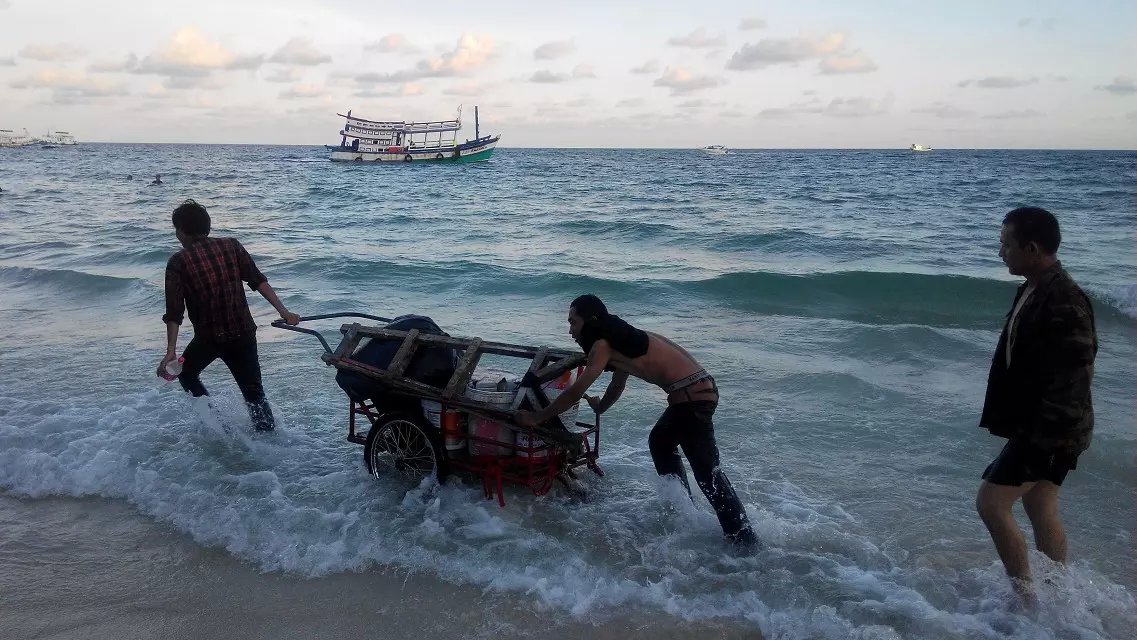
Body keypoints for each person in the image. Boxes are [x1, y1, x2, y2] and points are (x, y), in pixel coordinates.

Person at [517, 295, 758, 547]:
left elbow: (576, 390)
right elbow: (617, 383)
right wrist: (601, 406)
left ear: (592, 321)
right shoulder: (623, 340)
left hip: (692, 399)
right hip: (695, 394)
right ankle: (684, 509)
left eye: (573, 322)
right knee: (661, 442)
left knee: (707, 473)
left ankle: (744, 541)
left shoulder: (602, 345)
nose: (570, 331)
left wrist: (536, 418)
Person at [975, 206, 1097, 597]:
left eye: (1006, 245)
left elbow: (1075, 377)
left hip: (1052, 428)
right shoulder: (1034, 285)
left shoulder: (1064, 299)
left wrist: (1040, 437)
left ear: (1031, 248)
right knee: (1040, 503)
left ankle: (1024, 597)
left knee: (991, 503)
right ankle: (1056, 592)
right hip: (1046, 425)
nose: (1000, 252)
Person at [157, 199, 300, 431]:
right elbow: (258, 280)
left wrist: (171, 352)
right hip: (243, 333)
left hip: (209, 340)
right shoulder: (232, 246)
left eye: (177, 230)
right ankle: (271, 444)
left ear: (183, 231)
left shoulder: (178, 262)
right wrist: (284, 311)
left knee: (186, 374)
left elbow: (174, 312)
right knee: (254, 395)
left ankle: (217, 427)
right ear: (206, 227)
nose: (177, 236)